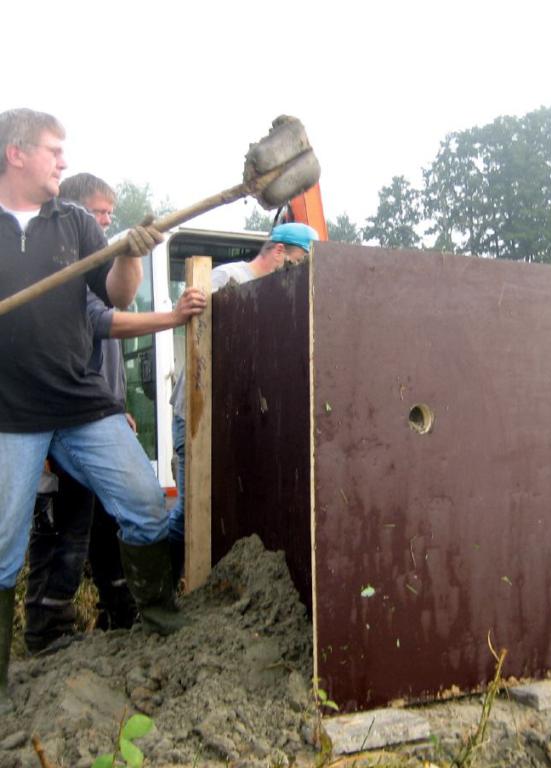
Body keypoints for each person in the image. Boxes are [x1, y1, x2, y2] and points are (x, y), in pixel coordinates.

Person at [0, 108, 187, 715]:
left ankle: (162, 626)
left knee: (144, 503)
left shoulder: (75, 222)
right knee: (2, 548)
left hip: (80, 400)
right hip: (10, 412)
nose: (63, 160)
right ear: (15, 153)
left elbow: (115, 296)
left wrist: (129, 255)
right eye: (53, 150)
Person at [24, 173, 208, 652]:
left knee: (112, 524)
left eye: (109, 214)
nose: (106, 222)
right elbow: (103, 322)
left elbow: (111, 320)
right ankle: (47, 629)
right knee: (62, 526)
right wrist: (172, 317)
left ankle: (121, 615)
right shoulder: (63, 270)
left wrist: (116, 407)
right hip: (52, 417)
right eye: (99, 212)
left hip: (94, 414)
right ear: (73, 216)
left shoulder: (98, 271)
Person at [167, 222, 319, 581]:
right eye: (302, 259)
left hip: (238, 420)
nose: (302, 269)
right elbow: (191, 325)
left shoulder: (282, 292)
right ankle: (160, 585)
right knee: (191, 513)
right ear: (279, 252)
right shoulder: (227, 278)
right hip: (198, 416)